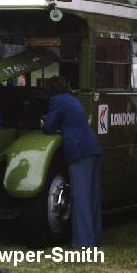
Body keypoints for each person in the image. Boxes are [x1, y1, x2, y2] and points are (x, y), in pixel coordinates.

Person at [41, 76, 103, 247]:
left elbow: (48, 128)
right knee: (92, 198)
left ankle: (83, 243)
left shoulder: (56, 101)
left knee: (80, 198)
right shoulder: (71, 99)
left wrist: (43, 122)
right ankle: (95, 238)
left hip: (80, 152)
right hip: (92, 148)